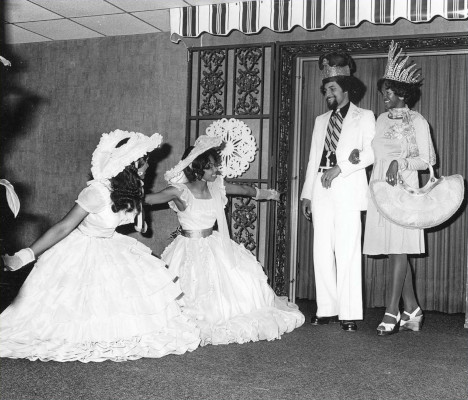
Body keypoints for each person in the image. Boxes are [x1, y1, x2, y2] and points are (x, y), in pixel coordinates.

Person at [0, 129, 200, 362]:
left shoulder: (130, 189)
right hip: (81, 248)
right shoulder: (96, 192)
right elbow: (63, 227)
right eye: (145, 164)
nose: (148, 169)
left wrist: (139, 213)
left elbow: (137, 226)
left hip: (110, 244)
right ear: (131, 165)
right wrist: (24, 256)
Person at [144, 135, 305, 345]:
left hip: (215, 244)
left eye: (215, 167)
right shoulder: (179, 191)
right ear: (197, 168)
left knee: (239, 282)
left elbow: (245, 190)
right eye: (210, 167)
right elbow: (147, 199)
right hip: (187, 249)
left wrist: (270, 194)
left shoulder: (217, 186)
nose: (215, 171)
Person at [363, 41, 436, 336]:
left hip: (404, 190)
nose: (384, 95)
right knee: (395, 250)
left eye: (389, 91)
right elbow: (375, 153)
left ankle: (391, 311)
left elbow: (428, 160)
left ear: (403, 93)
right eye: (383, 91)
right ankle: (413, 308)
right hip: (380, 188)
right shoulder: (380, 119)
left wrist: (401, 163)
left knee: (398, 249)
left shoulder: (418, 121)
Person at [300, 52, 375, 332]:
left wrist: (341, 167)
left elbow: (370, 152)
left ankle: (349, 312)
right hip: (321, 189)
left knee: (347, 251)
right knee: (321, 250)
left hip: (347, 188)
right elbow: (312, 159)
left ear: (346, 89)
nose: (327, 93)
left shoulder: (365, 116)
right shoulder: (321, 120)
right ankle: (326, 308)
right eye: (325, 89)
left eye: (332, 89)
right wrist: (306, 194)